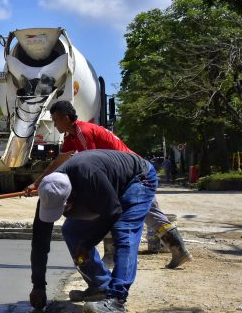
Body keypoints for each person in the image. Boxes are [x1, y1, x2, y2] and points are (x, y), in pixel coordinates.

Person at [27, 101, 191, 269]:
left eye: (55, 121)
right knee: (149, 213)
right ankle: (178, 250)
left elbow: (89, 166)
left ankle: (114, 257)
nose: (54, 125)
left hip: (132, 174)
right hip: (129, 173)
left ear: (66, 118)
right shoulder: (73, 136)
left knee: (111, 210)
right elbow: (59, 161)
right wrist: (38, 183)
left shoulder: (83, 132)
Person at [29, 149, 157, 313]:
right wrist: (38, 285)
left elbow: (113, 212)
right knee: (71, 230)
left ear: (72, 195)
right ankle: (100, 285)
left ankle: (116, 300)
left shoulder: (89, 176)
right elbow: (39, 241)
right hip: (106, 186)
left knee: (123, 231)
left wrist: (87, 244)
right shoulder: (50, 190)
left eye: (63, 209)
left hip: (138, 179)